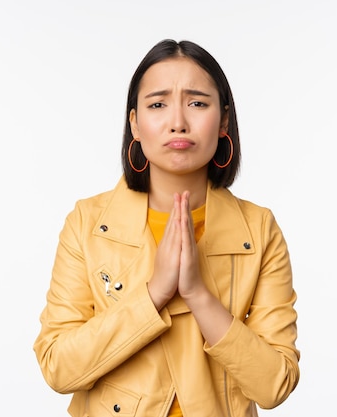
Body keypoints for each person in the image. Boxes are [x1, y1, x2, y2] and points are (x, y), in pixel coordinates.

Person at [33, 39, 300, 417]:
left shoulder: (258, 229)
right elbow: (58, 367)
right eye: (157, 104)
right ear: (135, 124)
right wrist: (154, 293)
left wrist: (197, 294)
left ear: (224, 120)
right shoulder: (88, 223)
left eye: (197, 103)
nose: (178, 121)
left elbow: (275, 385)